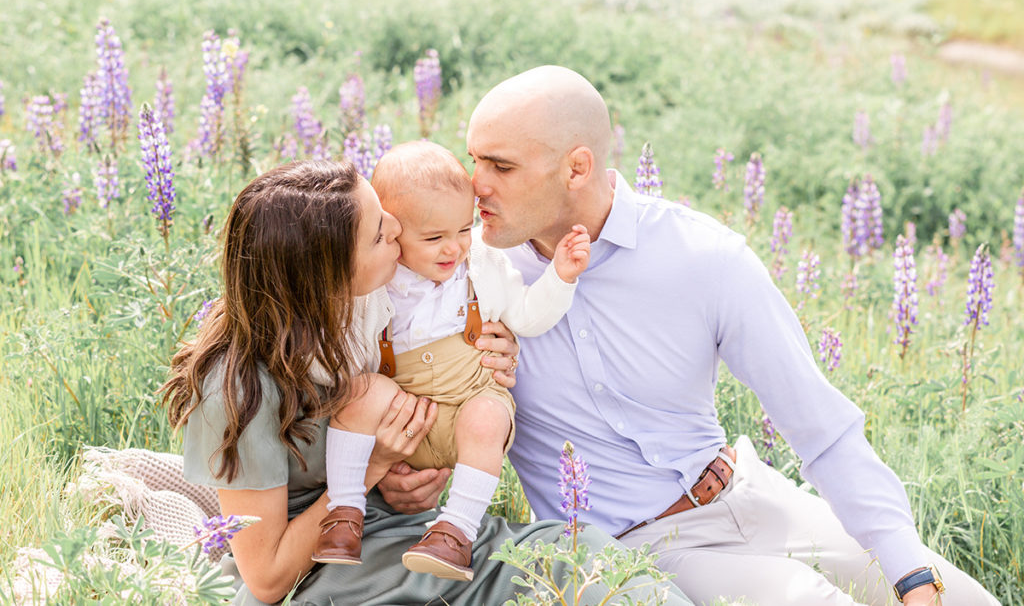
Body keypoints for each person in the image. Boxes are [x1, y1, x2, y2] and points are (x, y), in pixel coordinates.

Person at [378, 66, 1001, 606]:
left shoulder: (704, 258)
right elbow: (394, 368)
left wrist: (912, 573)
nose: (475, 184)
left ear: (576, 167)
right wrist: (402, 472)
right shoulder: (459, 273)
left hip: (749, 495)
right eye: (473, 160)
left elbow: (824, 429)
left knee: (959, 598)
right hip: (633, 545)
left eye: (500, 166)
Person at [162, 159, 684, 606]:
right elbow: (267, 577)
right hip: (333, 567)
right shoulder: (237, 387)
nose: (398, 230)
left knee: (579, 554)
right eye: (380, 233)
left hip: (411, 533)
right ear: (329, 271)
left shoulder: (361, 318)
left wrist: (489, 355)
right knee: (553, 575)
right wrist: (374, 467)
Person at [312, 141, 591, 581]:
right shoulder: (377, 282)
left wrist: (560, 277)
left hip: (468, 406)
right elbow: (349, 358)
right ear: (390, 230)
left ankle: (455, 532)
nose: (453, 249)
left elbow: (527, 315)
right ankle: (344, 512)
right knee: (360, 391)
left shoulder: (481, 265)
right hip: (402, 422)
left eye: (463, 229)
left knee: (487, 417)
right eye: (433, 238)